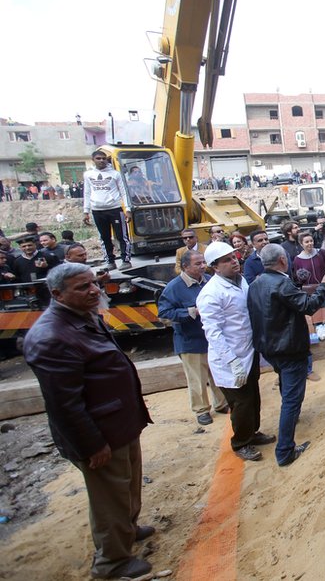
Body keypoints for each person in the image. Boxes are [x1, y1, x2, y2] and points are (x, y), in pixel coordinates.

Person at [24, 263, 153, 580]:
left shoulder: (81, 316)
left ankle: (127, 529)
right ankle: (112, 562)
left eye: (94, 283)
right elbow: (64, 404)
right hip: (101, 435)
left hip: (120, 424)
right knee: (109, 497)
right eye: (83, 287)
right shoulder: (51, 337)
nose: (94, 290)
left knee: (127, 485)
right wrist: (92, 444)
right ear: (57, 294)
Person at [247, 243, 325, 466]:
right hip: (289, 349)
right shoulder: (281, 284)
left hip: (270, 348)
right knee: (291, 400)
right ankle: (285, 451)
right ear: (283, 261)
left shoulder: (256, 283)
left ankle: (291, 422)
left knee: (288, 390)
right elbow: (309, 305)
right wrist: (324, 285)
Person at [197, 242, 275, 462]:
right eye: (227, 260)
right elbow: (213, 333)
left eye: (234, 257)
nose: (234, 262)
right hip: (231, 360)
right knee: (241, 403)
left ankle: (253, 432)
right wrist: (231, 360)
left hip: (248, 352)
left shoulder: (240, 281)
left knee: (253, 397)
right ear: (215, 267)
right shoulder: (211, 294)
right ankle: (241, 442)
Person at [157, 251, 228, 426]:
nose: (203, 266)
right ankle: (202, 410)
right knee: (197, 378)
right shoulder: (174, 287)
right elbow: (164, 314)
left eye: (203, 262)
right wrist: (191, 312)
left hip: (211, 339)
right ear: (185, 267)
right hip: (190, 341)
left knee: (217, 372)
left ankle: (221, 403)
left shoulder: (210, 281)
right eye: (198, 264)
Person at [82, 149, 132, 271]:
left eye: (103, 158)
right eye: (98, 158)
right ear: (93, 160)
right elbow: (87, 192)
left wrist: (128, 209)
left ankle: (126, 260)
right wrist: (86, 211)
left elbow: (124, 192)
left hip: (114, 209)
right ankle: (110, 261)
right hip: (97, 210)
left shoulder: (115, 174)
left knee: (122, 236)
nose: (101, 160)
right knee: (104, 237)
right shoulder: (88, 175)